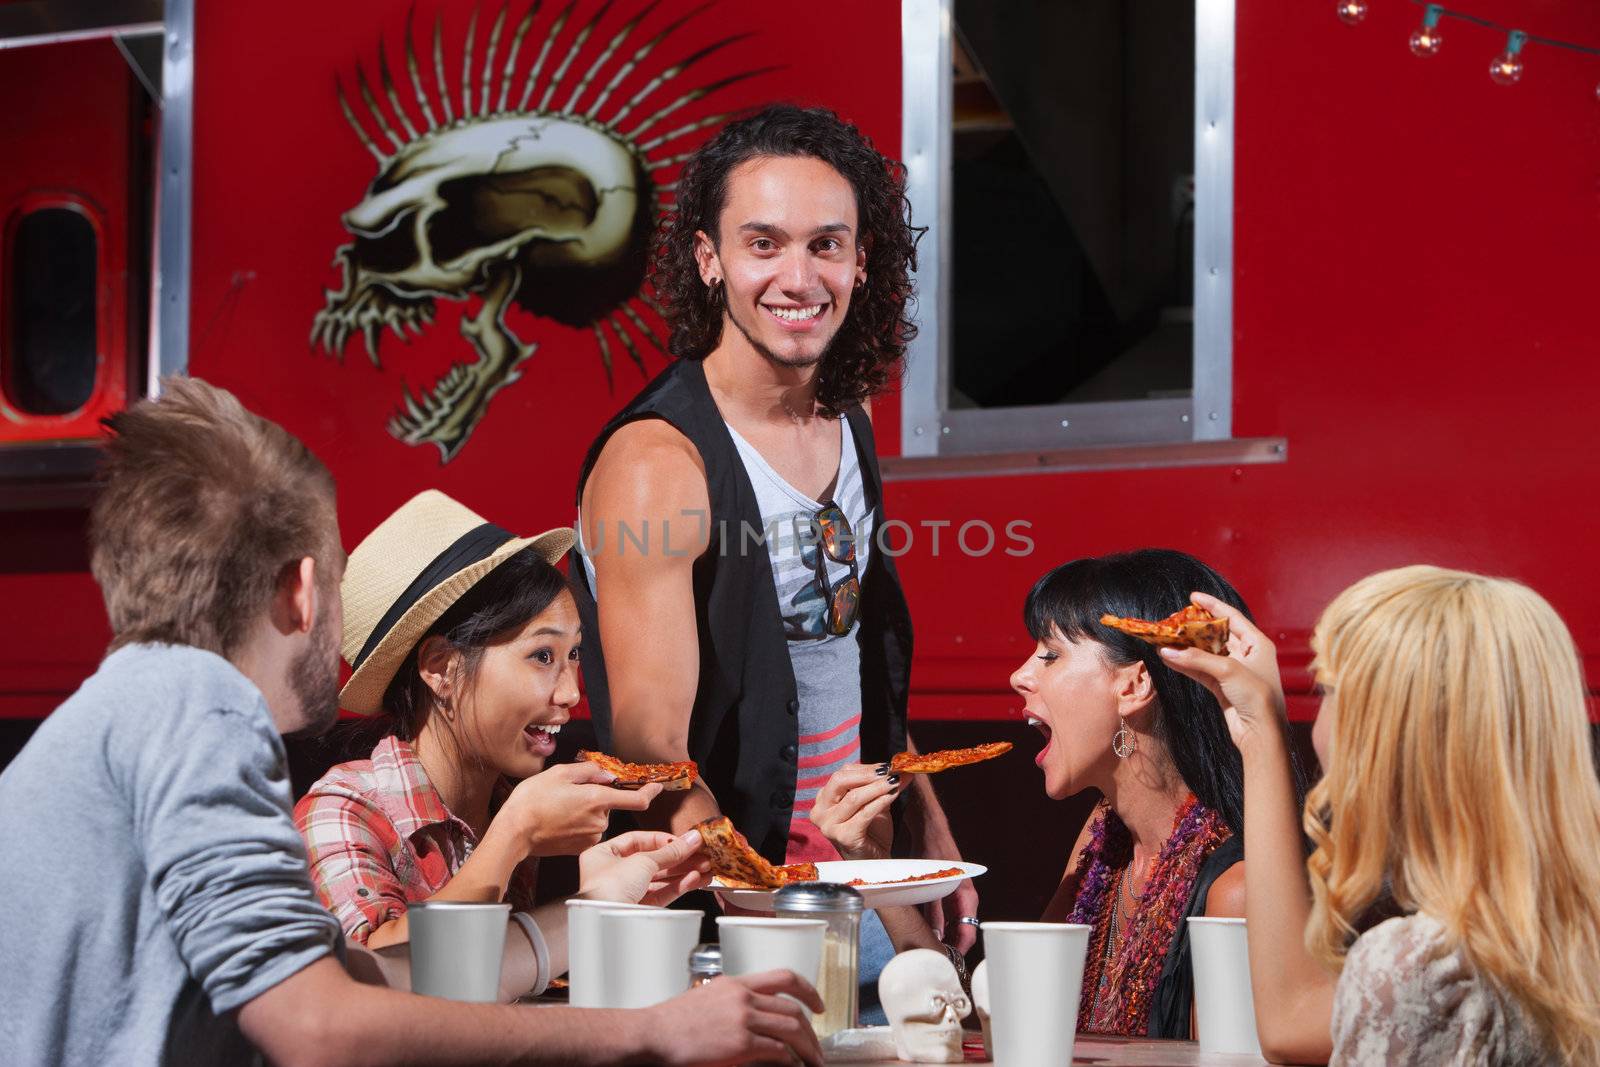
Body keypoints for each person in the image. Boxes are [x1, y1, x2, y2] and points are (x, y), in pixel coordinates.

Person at [0, 376, 822, 1066]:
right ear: (301, 588)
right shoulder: (194, 704)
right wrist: (647, 1033)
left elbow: (355, 977)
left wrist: (588, 915)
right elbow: (318, 1026)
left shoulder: (138, 706)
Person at [571, 104, 976, 1009]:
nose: (799, 276)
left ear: (862, 261)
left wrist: (917, 825)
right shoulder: (657, 463)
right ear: (710, 259)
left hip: (864, 905)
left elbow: (854, 653)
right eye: (764, 244)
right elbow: (653, 757)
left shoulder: (849, 422)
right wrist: (775, 918)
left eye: (826, 245)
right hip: (727, 929)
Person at [1163, 567, 1600, 1065]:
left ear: (1386, 736)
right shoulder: (1562, 942)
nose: (1320, 718)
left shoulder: (1418, 968)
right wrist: (1259, 732)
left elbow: (1289, 1022)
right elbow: (1292, 1022)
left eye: (1327, 688)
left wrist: (1261, 733)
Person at [296, 490, 709, 984]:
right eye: (542, 656)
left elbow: (497, 985)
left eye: (574, 654)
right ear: (440, 668)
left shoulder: (512, 800)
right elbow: (370, 982)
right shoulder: (341, 810)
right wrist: (512, 837)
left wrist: (598, 903)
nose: (570, 693)